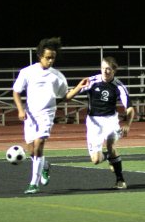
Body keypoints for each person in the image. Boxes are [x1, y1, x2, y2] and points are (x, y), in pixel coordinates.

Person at [12, 37, 87, 194]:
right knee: (32, 151)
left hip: (46, 115)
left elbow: (65, 97)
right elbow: (16, 92)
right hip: (30, 116)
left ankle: (34, 183)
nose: (51, 60)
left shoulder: (57, 76)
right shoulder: (27, 72)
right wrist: (20, 110)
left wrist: (79, 87)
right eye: (48, 57)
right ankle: (44, 165)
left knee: (39, 145)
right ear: (40, 55)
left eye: (53, 57)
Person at [76, 56, 135, 189]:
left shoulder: (119, 86)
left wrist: (127, 124)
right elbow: (75, 91)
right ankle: (110, 157)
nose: (105, 71)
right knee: (96, 160)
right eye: (103, 68)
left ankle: (120, 180)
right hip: (93, 122)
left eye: (108, 69)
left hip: (111, 121)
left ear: (114, 70)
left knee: (110, 143)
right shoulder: (92, 81)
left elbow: (130, 109)